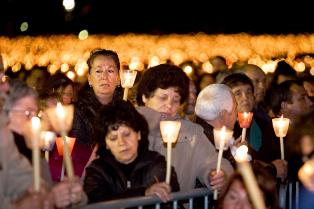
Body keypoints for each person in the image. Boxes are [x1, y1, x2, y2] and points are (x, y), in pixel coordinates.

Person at [136, 64, 233, 194]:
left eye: (176, 100)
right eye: (162, 97)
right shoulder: (127, 129)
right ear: (145, 96)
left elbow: (214, 162)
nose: (169, 105)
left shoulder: (191, 133)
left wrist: (219, 175)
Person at [83, 100, 180, 204]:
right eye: (113, 138)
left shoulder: (156, 163)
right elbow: (96, 203)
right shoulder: (98, 170)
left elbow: (170, 197)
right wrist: (143, 194)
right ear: (106, 144)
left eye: (127, 134)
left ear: (138, 134)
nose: (122, 142)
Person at [70, 48, 122, 178]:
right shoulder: (76, 112)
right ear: (89, 79)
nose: (104, 76)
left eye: (110, 71)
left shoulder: (127, 109)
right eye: (98, 71)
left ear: (118, 78)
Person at [194, 84, 238, 168]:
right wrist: (236, 158)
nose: (237, 115)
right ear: (223, 115)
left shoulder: (199, 130)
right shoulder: (208, 146)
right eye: (235, 109)